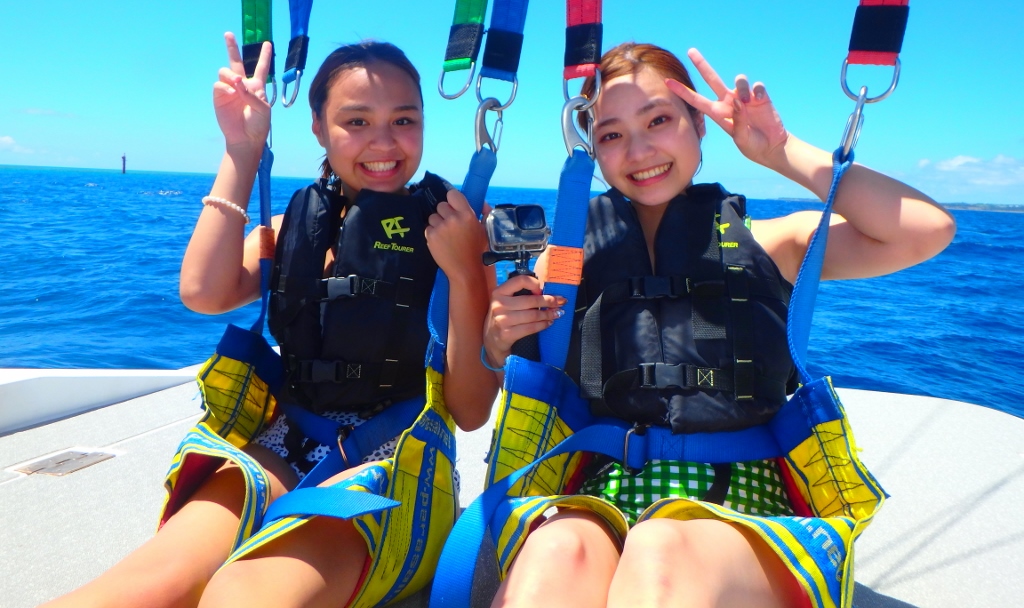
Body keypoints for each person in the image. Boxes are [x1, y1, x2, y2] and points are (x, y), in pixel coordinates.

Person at [481, 42, 956, 608]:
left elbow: (926, 230)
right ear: (592, 150)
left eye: (659, 120)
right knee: (554, 554)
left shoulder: (767, 241)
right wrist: (497, 337)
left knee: (661, 550)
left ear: (700, 126)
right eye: (611, 134)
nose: (639, 149)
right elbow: (509, 362)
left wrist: (780, 153)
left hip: (741, 498)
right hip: (603, 493)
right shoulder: (566, 259)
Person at [46, 34, 498, 608]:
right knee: (148, 585)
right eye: (355, 121)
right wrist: (241, 151)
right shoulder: (295, 228)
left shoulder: (457, 228)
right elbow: (203, 292)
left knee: (247, 595)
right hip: (283, 442)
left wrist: (462, 273)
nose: (383, 142)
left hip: (400, 461)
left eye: (403, 119)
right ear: (317, 128)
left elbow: (469, 409)